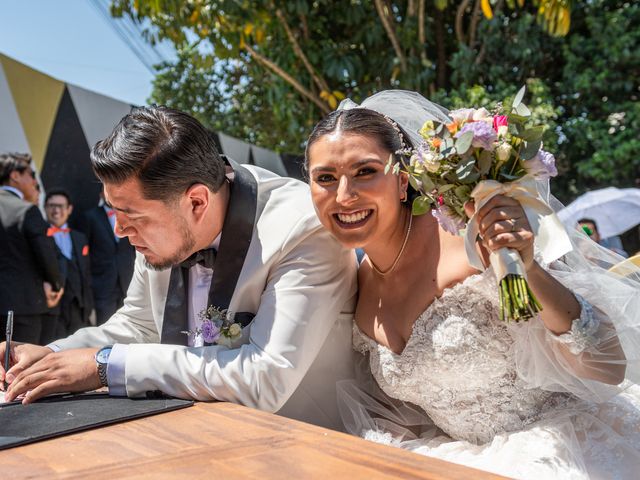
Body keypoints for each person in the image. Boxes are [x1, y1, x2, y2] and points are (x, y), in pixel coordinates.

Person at [305, 90, 640, 478]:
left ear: (403, 180)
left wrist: (526, 267)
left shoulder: (475, 240)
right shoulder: (353, 282)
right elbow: (403, 415)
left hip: (563, 451)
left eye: (365, 171)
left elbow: (608, 364)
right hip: (459, 459)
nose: (345, 196)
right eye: (325, 178)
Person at [1, 106, 357, 431]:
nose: (118, 231)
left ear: (197, 202)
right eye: (114, 211)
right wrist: (50, 358)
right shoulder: (163, 223)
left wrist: (103, 365)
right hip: (183, 434)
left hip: (301, 442)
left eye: (132, 216)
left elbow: (265, 377)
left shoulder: (304, 228)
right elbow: (138, 325)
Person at [0, 153, 64, 344]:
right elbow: (46, 255)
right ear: (15, 176)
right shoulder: (25, 210)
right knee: (21, 370)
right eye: (30, 174)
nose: (33, 180)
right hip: (22, 309)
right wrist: (55, 285)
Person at [77, 189, 135, 325]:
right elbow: (84, 253)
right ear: (101, 194)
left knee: (129, 325)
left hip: (127, 282)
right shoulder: (90, 217)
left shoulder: (129, 215)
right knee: (106, 324)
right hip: (102, 283)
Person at [44, 188, 93, 340]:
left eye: (60, 206)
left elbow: (86, 272)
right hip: (52, 309)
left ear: (69, 209)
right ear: (45, 208)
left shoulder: (80, 238)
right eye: (52, 206)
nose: (56, 210)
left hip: (79, 308)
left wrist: (89, 305)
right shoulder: (38, 235)